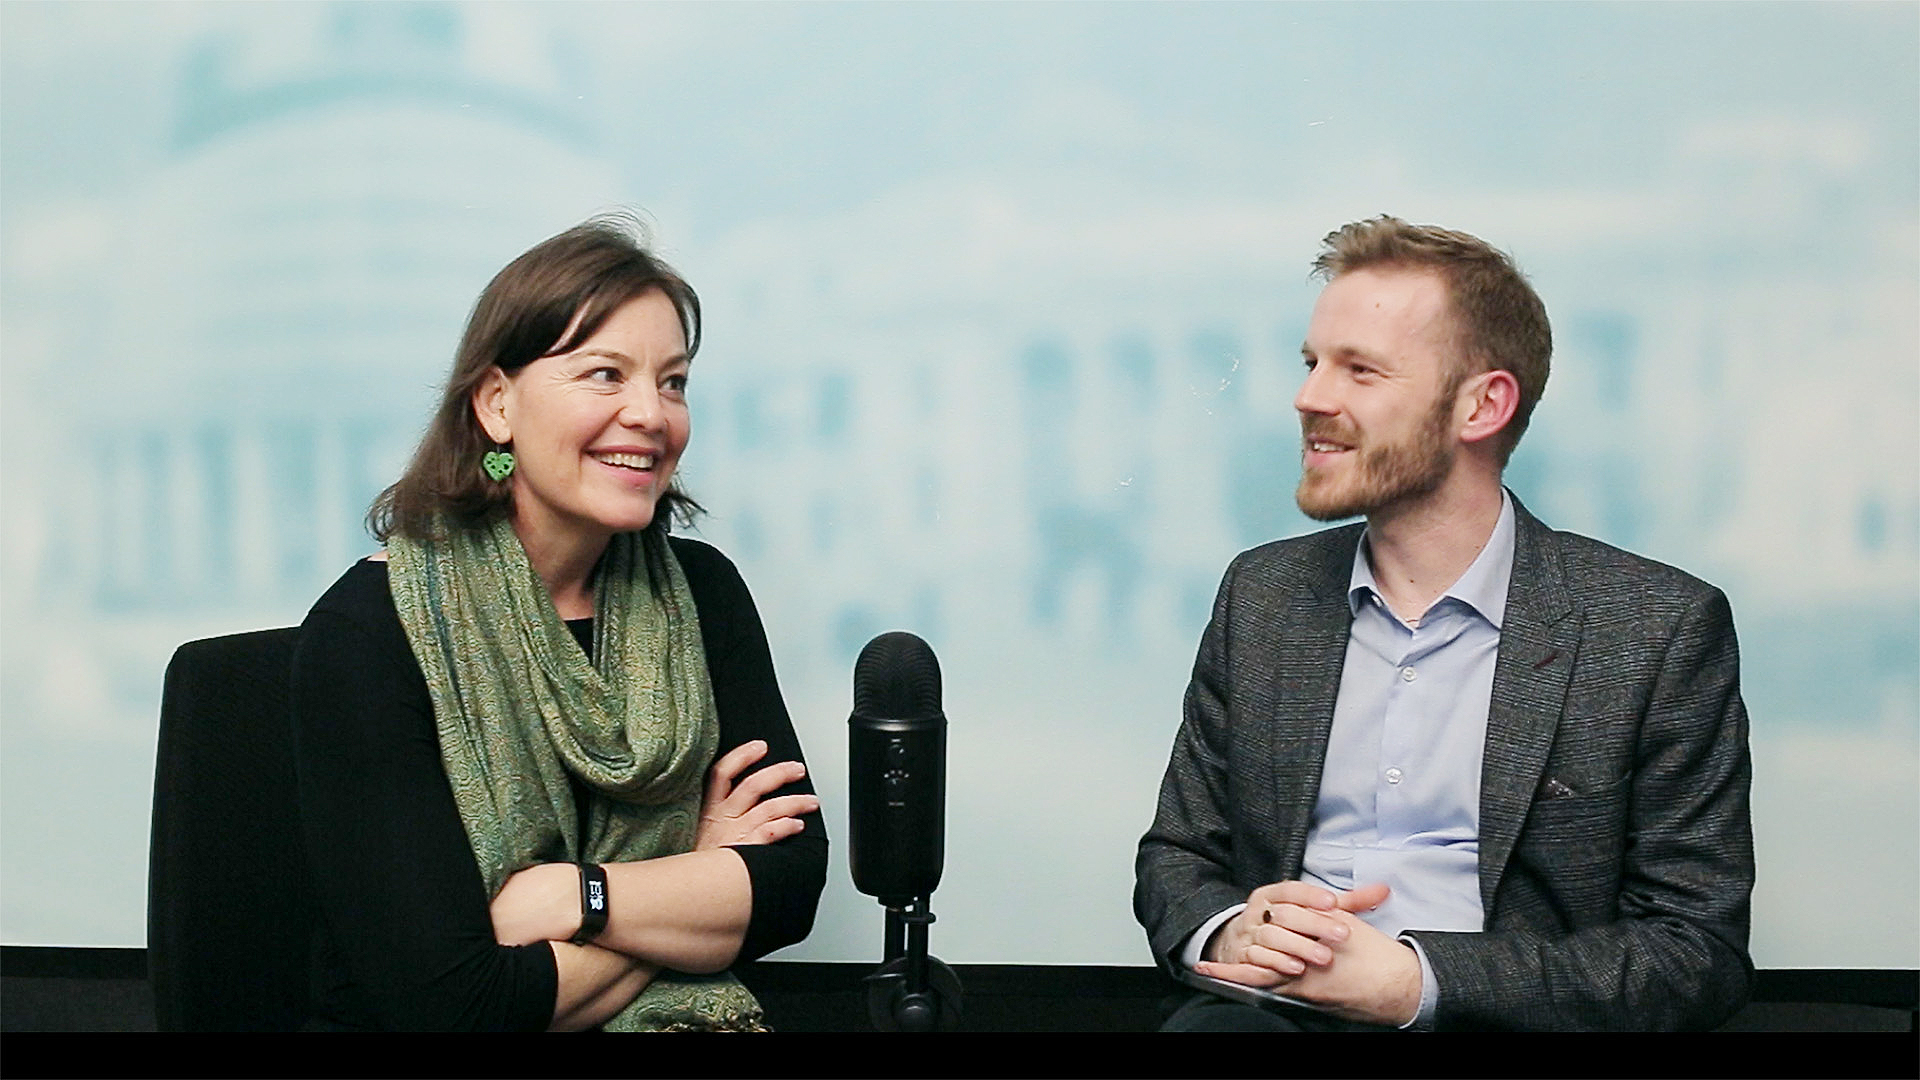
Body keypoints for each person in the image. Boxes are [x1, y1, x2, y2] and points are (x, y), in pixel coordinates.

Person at [1133, 216, 1753, 1031]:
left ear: (1482, 405)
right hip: (1275, 1025)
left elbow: (1693, 953)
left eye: (1360, 370)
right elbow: (1179, 858)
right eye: (1313, 363)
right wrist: (1232, 929)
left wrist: (1416, 983)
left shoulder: (1656, 628)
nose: (1310, 397)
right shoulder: (1263, 596)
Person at [292, 216, 826, 1031]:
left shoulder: (704, 595)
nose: (652, 413)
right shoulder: (369, 630)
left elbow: (790, 889)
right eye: (605, 374)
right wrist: (696, 876)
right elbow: (459, 1002)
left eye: (674, 381)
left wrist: (577, 895)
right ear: (497, 404)